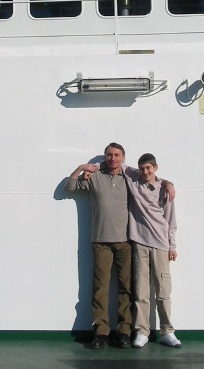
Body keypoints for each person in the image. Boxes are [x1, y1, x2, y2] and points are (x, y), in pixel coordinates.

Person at [65, 142, 132, 349]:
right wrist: (81, 168)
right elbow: (70, 188)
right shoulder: (94, 177)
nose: (113, 158)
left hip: (125, 241)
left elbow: (152, 178)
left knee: (126, 288)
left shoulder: (130, 177)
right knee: (100, 288)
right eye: (109, 155)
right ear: (105, 157)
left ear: (123, 157)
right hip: (100, 241)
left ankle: (124, 331)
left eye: (117, 155)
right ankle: (101, 332)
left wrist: (168, 183)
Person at [125, 153, 181, 348]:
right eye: (142, 168)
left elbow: (171, 221)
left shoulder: (165, 190)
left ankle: (167, 331)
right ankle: (142, 332)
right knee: (141, 291)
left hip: (161, 245)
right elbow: (117, 163)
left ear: (156, 168)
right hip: (139, 243)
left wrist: (172, 246)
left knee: (163, 291)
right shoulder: (134, 180)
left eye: (148, 168)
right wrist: (88, 168)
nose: (145, 172)